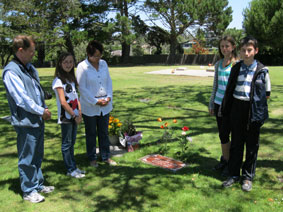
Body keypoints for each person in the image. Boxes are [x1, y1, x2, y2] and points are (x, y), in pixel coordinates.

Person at [2, 35, 54, 203]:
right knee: (27, 157)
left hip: (37, 119)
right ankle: (28, 190)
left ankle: (38, 185)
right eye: (31, 51)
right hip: (25, 121)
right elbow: (22, 99)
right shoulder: (11, 71)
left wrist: (43, 109)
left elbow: (35, 93)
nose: (33, 54)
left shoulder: (29, 68)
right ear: (20, 50)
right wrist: (41, 111)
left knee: (37, 155)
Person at [221, 36, 271, 191]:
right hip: (237, 108)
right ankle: (234, 174)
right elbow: (229, 90)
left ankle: (247, 177)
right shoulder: (236, 68)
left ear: (256, 51)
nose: (246, 54)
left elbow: (266, 95)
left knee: (251, 145)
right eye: (243, 50)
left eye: (249, 50)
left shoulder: (262, 71)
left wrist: (258, 114)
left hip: (252, 111)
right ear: (240, 51)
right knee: (236, 143)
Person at [76, 40, 117, 167]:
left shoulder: (104, 64)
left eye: (100, 55)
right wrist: (95, 101)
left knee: (104, 132)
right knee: (91, 133)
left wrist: (109, 97)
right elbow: (81, 88)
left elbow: (108, 81)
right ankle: (92, 157)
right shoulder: (82, 67)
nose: (98, 59)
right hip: (90, 106)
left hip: (105, 105)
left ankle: (105, 156)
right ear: (89, 54)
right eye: (95, 56)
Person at [52, 52, 86, 178]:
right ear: (60, 63)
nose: (68, 64)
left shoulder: (71, 79)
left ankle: (74, 167)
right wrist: (73, 115)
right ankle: (70, 169)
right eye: (65, 62)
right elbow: (63, 102)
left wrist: (80, 113)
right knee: (66, 144)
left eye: (71, 62)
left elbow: (76, 98)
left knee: (72, 143)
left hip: (75, 116)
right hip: (66, 117)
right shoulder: (58, 81)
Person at [209, 35, 238, 176]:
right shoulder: (218, 64)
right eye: (222, 46)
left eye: (227, 46)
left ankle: (231, 162)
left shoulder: (237, 65)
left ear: (233, 47)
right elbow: (215, 86)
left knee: (233, 134)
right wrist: (211, 104)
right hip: (218, 104)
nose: (224, 48)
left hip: (232, 106)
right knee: (223, 134)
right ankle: (225, 160)